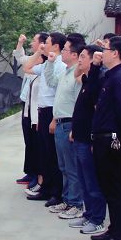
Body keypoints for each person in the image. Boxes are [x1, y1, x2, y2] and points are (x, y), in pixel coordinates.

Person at [88, 37, 121, 240]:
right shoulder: (110, 74)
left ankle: (120, 238)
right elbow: (92, 93)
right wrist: (95, 67)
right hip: (102, 136)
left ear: (115, 53)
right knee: (107, 186)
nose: (102, 52)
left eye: (105, 49)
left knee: (115, 188)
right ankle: (113, 228)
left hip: (112, 139)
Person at [23, 32, 67, 207]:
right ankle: (46, 188)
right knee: (44, 153)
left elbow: (59, 94)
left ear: (56, 46)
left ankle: (56, 192)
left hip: (52, 112)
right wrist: (38, 53)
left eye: (47, 43)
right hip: (42, 112)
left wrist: (54, 119)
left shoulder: (60, 65)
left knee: (52, 155)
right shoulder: (48, 63)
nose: (44, 45)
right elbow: (27, 68)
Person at [47, 34, 87, 219]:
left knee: (72, 167)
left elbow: (80, 103)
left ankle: (76, 203)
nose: (61, 52)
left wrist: (75, 127)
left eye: (64, 50)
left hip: (70, 124)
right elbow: (51, 82)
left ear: (74, 54)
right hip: (60, 122)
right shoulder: (65, 71)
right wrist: (49, 63)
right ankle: (67, 199)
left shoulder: (78, 75)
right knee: (63, 166)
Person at [69, 44, 107, 235]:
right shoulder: (87, 79)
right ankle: (88, 213)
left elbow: (97, 112)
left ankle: (98, 219)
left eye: (83, 56)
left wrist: (94, 139)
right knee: (84, 180)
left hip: (89, 139)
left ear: (93, 59)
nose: (79, 59)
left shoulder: (98, 80)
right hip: (79, 137)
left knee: (92, 181)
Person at [15, 33, 48, 190]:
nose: (31, 43)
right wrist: (20, 43)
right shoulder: (33, 60)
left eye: (34, 41)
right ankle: (31, 172)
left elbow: (26, 67)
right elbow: (21, 59)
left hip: (38, 112)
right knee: (29, 142)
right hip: (28, 108)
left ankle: (37, 175)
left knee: (36, 145)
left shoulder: (45, 65)